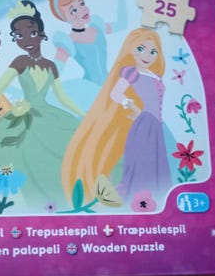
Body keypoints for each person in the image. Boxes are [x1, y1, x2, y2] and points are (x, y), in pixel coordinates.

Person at [0, 0, 84, 212]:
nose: (26, 40)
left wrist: (81, 113)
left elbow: (62, 97)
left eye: (32, 33)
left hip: (49, 116)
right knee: (22, 157)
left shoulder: (51, 65)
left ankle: (64, 198)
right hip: (24, 118)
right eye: (19, 36)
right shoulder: (20, 61)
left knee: (65, 152)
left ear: (42, 34)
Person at [61, 28, 172, 210]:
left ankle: (157, 198)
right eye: (140, 49)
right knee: (140, 164)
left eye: (153, 51)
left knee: (155, 163)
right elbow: (116, 93)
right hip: (143, 124)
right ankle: (136, 200)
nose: (147, 55)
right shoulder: (131, 72)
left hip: (155, 126)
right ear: (130, 50)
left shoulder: (154, 75)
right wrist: (131, 105)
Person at [46, 0, 127, 111]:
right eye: (73, 10)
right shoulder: (68, 42)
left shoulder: (98, 28)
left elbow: (122, 24)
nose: (82, 10)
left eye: (82, 4)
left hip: (111, 84)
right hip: (91, 91)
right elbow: (55, 72)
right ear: (65, 18)